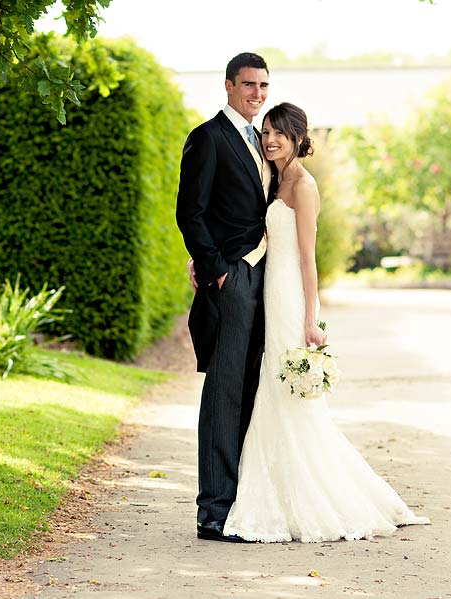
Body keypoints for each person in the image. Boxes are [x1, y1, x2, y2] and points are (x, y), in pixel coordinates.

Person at [222, 102, 430, 542]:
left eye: (280, 132)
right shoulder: (275, 180)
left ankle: (304, 496)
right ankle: (275, 488)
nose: (271, 139)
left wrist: (311, 320)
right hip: (268, 291)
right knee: (271, 386)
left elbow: (307, 258)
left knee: (285, 391)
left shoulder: (303, 185)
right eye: (266, 132)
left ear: (299, 136)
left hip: (289, 298)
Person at [176, 52, 275, 543]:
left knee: (256, 392)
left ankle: (243, 504)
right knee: (224, 392)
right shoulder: (208, 137)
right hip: (233, 280)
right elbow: (189, 213)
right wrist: (216, 272)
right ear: (229, 86)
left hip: (269, 282)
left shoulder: (266, 140)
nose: (257, 94)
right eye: (249, 85)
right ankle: (213, 512)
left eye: (263, 86)